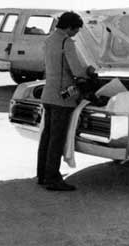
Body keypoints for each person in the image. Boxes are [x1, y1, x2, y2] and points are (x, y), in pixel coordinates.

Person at [37, 11, 93, 191]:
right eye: (76, 30)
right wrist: (89, 72)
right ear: (69, 27)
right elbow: (76, 70)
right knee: (57, 138)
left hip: (48, 93)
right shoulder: (66, 42)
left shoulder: (49, 40)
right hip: (63, 97)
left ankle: (42, 175)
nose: (76, 33)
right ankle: (53, 178)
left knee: (47, 136)